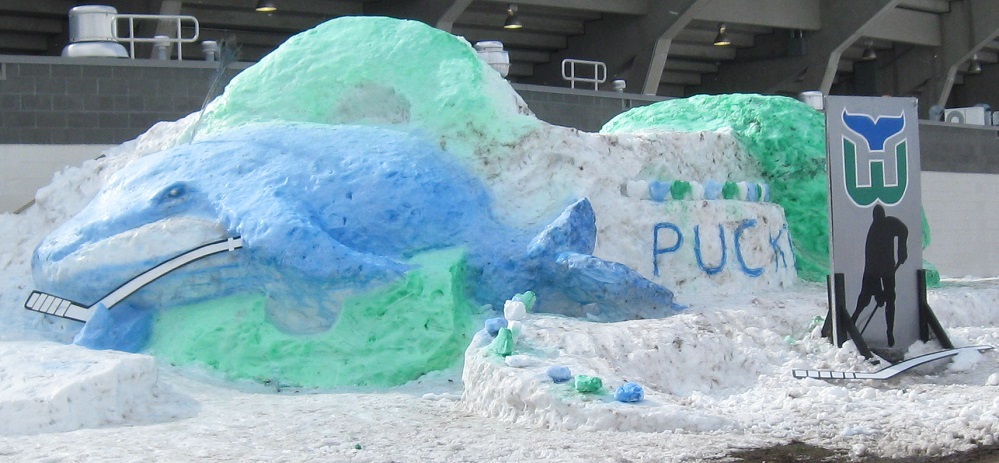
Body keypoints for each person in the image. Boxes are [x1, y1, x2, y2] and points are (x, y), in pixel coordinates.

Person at [851, 204, 908, 346]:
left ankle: (889, 332)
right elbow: (871, 271)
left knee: (890, 299)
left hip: (888, 269)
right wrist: (877, 293)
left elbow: (903, 231)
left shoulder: (889, 223)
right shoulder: (873, 236)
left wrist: (902, 250)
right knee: (864, 298)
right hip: (874, 271)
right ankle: (852, 323)